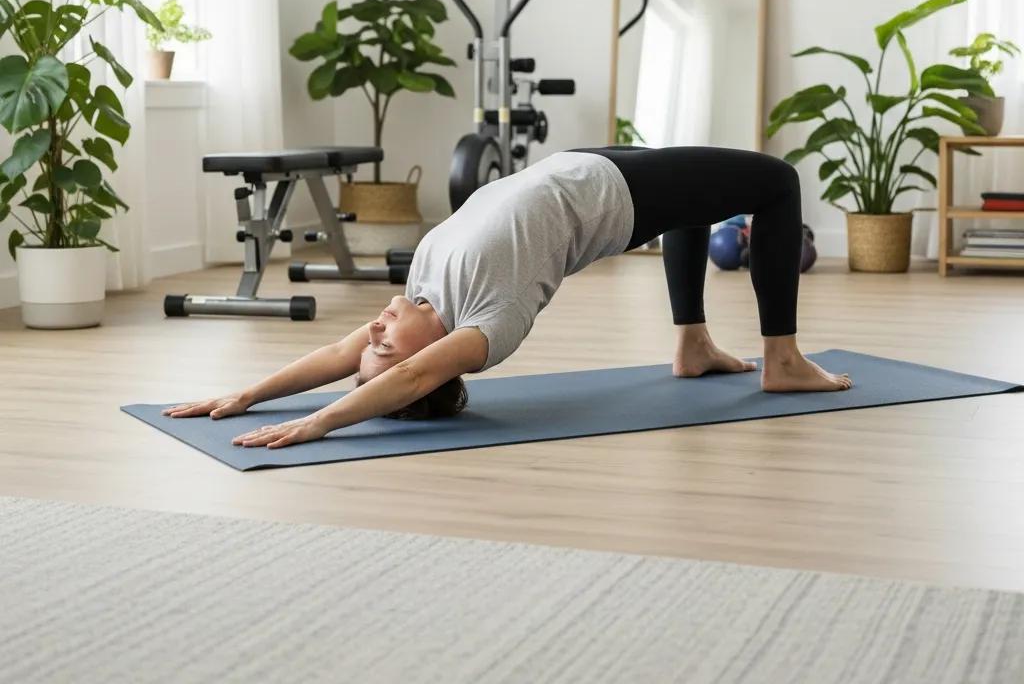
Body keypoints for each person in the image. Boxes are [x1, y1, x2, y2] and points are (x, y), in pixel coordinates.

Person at [163, 147, 852, 449]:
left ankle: (693, 345)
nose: (371, 333)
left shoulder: (420, 294)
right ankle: (782, 359)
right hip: (613, 195)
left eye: (368, 342)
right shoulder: (491, 322)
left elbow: (339, 356)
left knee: (702, 193)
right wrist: (319, 424)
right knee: (776, 181)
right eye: (384, 348)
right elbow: (403, 377)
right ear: (433, 363)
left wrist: (249, 395)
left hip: (576, 165)